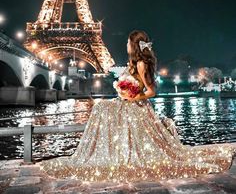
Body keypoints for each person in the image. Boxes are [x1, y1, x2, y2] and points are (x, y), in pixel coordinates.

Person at [39, 30, 236, 182]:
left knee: (100, 109)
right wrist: (122, 91)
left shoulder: (141, 64)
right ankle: (106, 153)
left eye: (127, 41)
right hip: (128, 103)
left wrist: (131, 97)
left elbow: (151, 91)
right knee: (101, 108)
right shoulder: (135, 62)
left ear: (134, 44)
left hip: (135, 106)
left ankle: (102, 154)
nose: (125, 43)